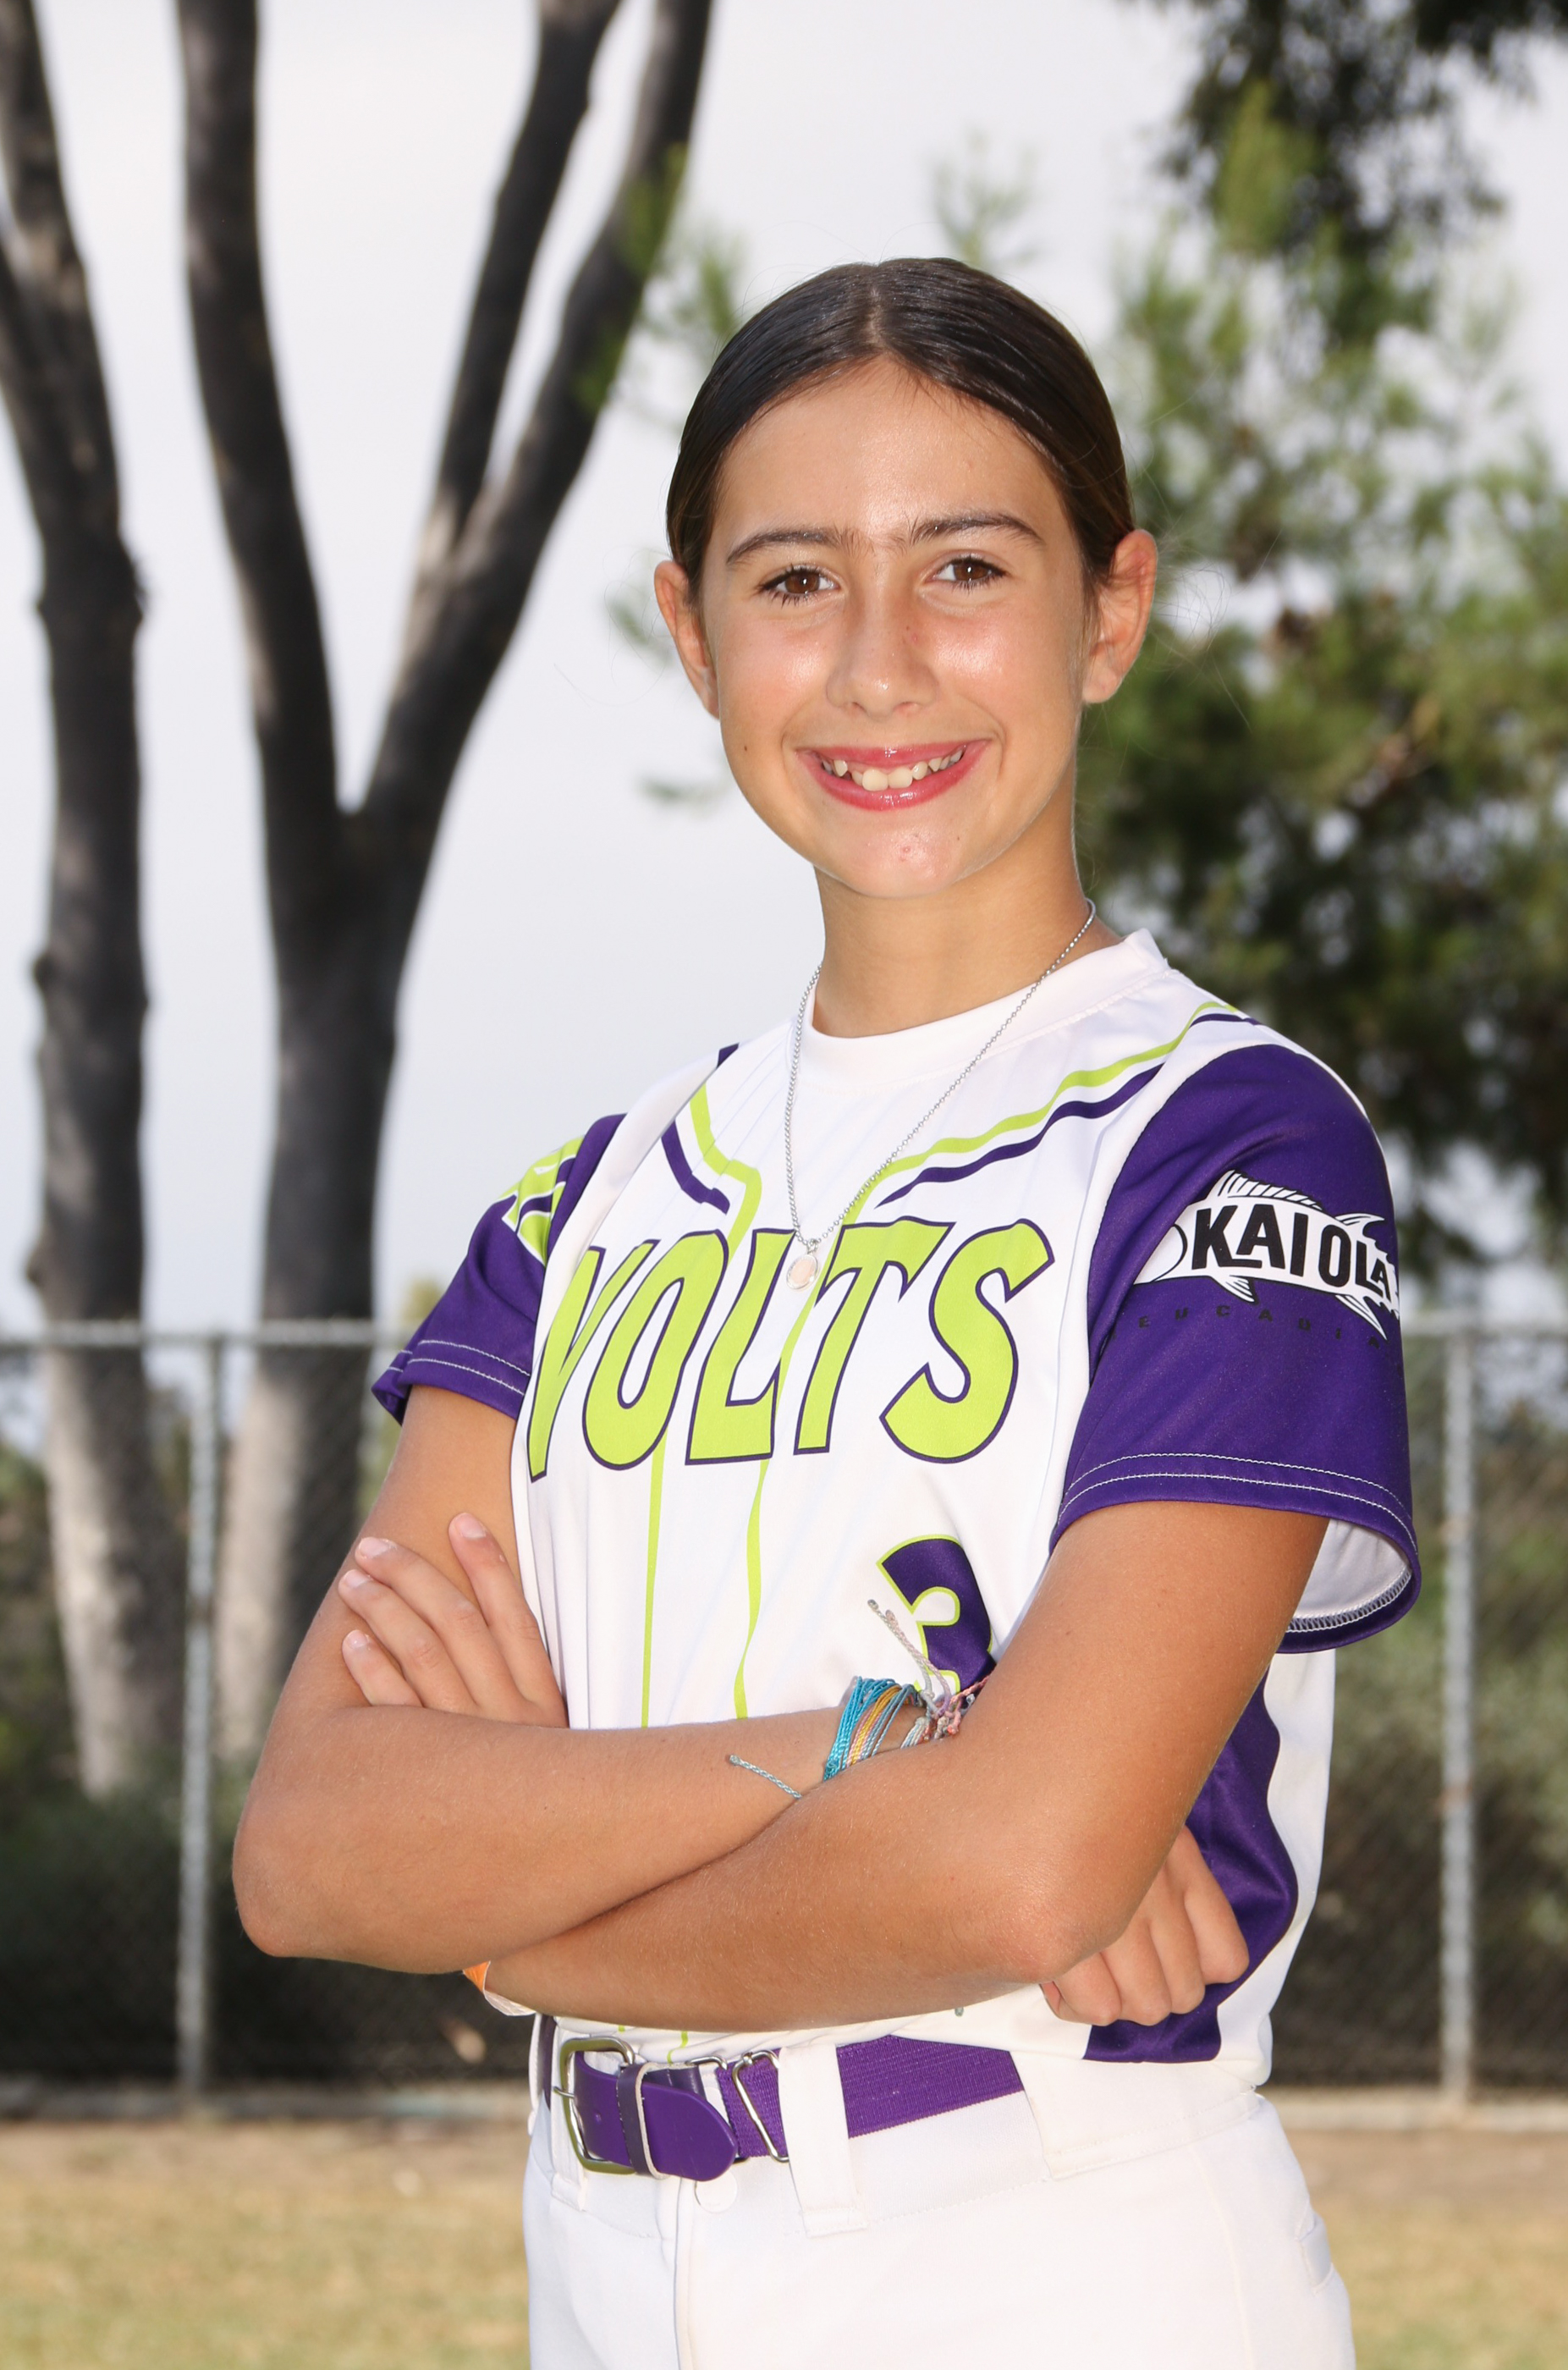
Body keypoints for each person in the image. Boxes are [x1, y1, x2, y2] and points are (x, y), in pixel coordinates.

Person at [235, 257, 1417, 2368]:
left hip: (1048, 2250)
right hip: (605, 2266)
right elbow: (316, 1846)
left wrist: (524, 1925)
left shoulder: (1228, 1143)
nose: (880, 665)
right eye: (794, 580)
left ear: (1111, 609)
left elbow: (1027, 1864)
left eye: (965, 567)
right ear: (693, 634)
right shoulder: (582, 1206)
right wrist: (865, 1748)